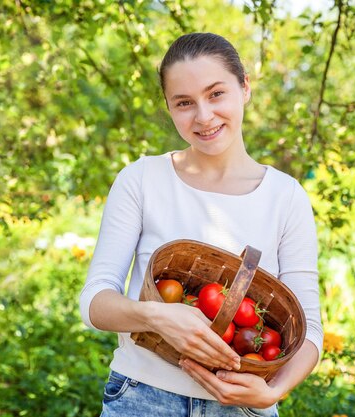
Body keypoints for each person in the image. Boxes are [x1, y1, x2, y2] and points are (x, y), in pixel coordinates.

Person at [79, 32, 323, 417]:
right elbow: (94, 301)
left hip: (244, 411)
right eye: (184, 103)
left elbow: (309, 329)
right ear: (169, 108)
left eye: (216, 94)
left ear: (244, 88)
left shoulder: (286, 197)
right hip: (142, 400)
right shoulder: (142, 179)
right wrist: (154, 316)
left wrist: (273, 391)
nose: (204, 116)